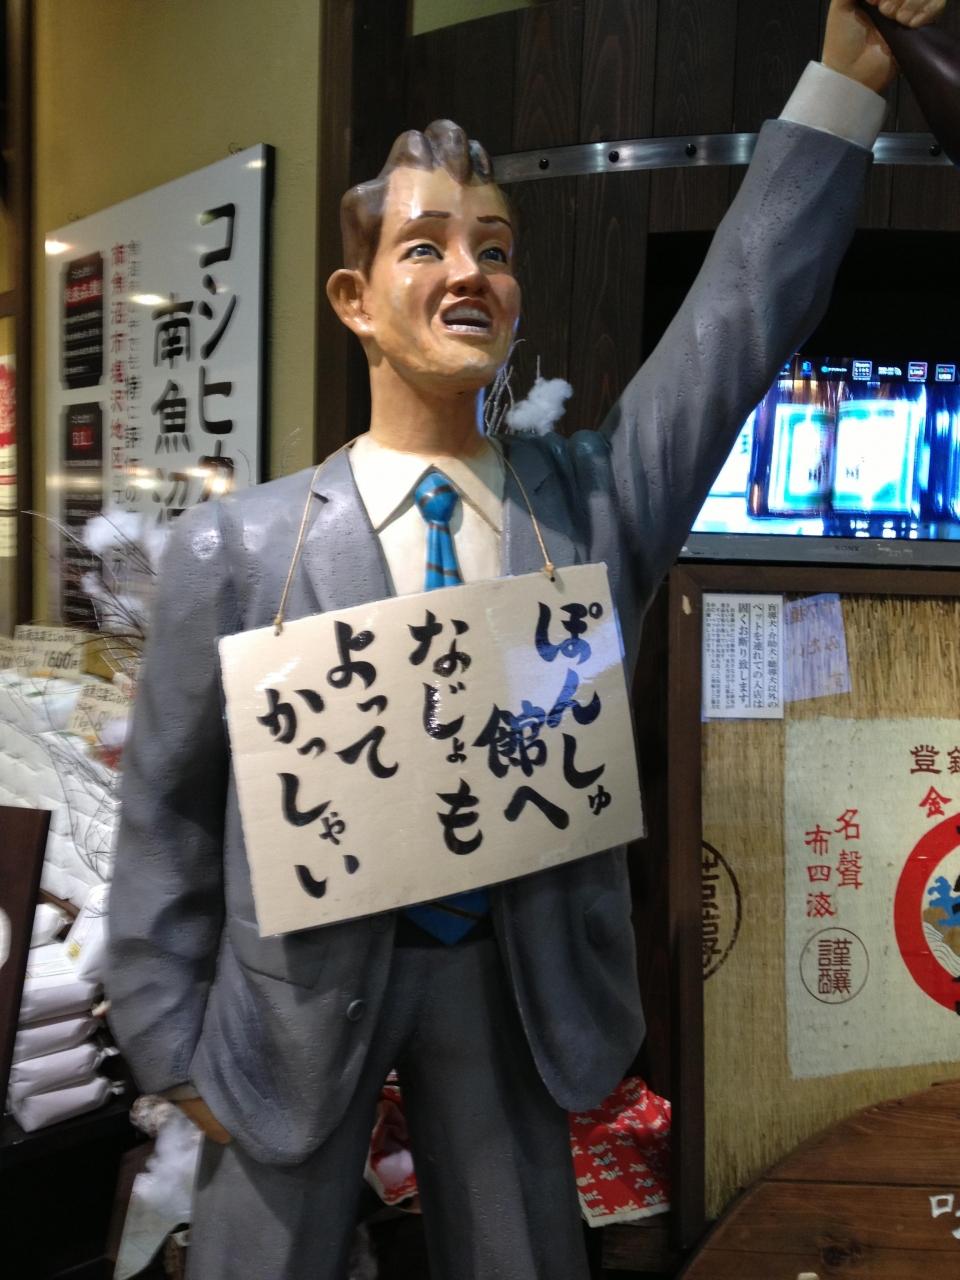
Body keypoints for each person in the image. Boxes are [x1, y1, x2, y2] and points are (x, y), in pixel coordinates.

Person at [107, 2, 948, 1276]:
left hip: (512, 979)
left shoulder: (589, 506)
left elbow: (733, 326)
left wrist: (846, 82)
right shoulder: (240, 547)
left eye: (493, 249)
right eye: (425, 245)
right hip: (287, 1006)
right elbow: (165, 816)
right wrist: (171, 1047)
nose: (467, 273)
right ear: (354, 298)